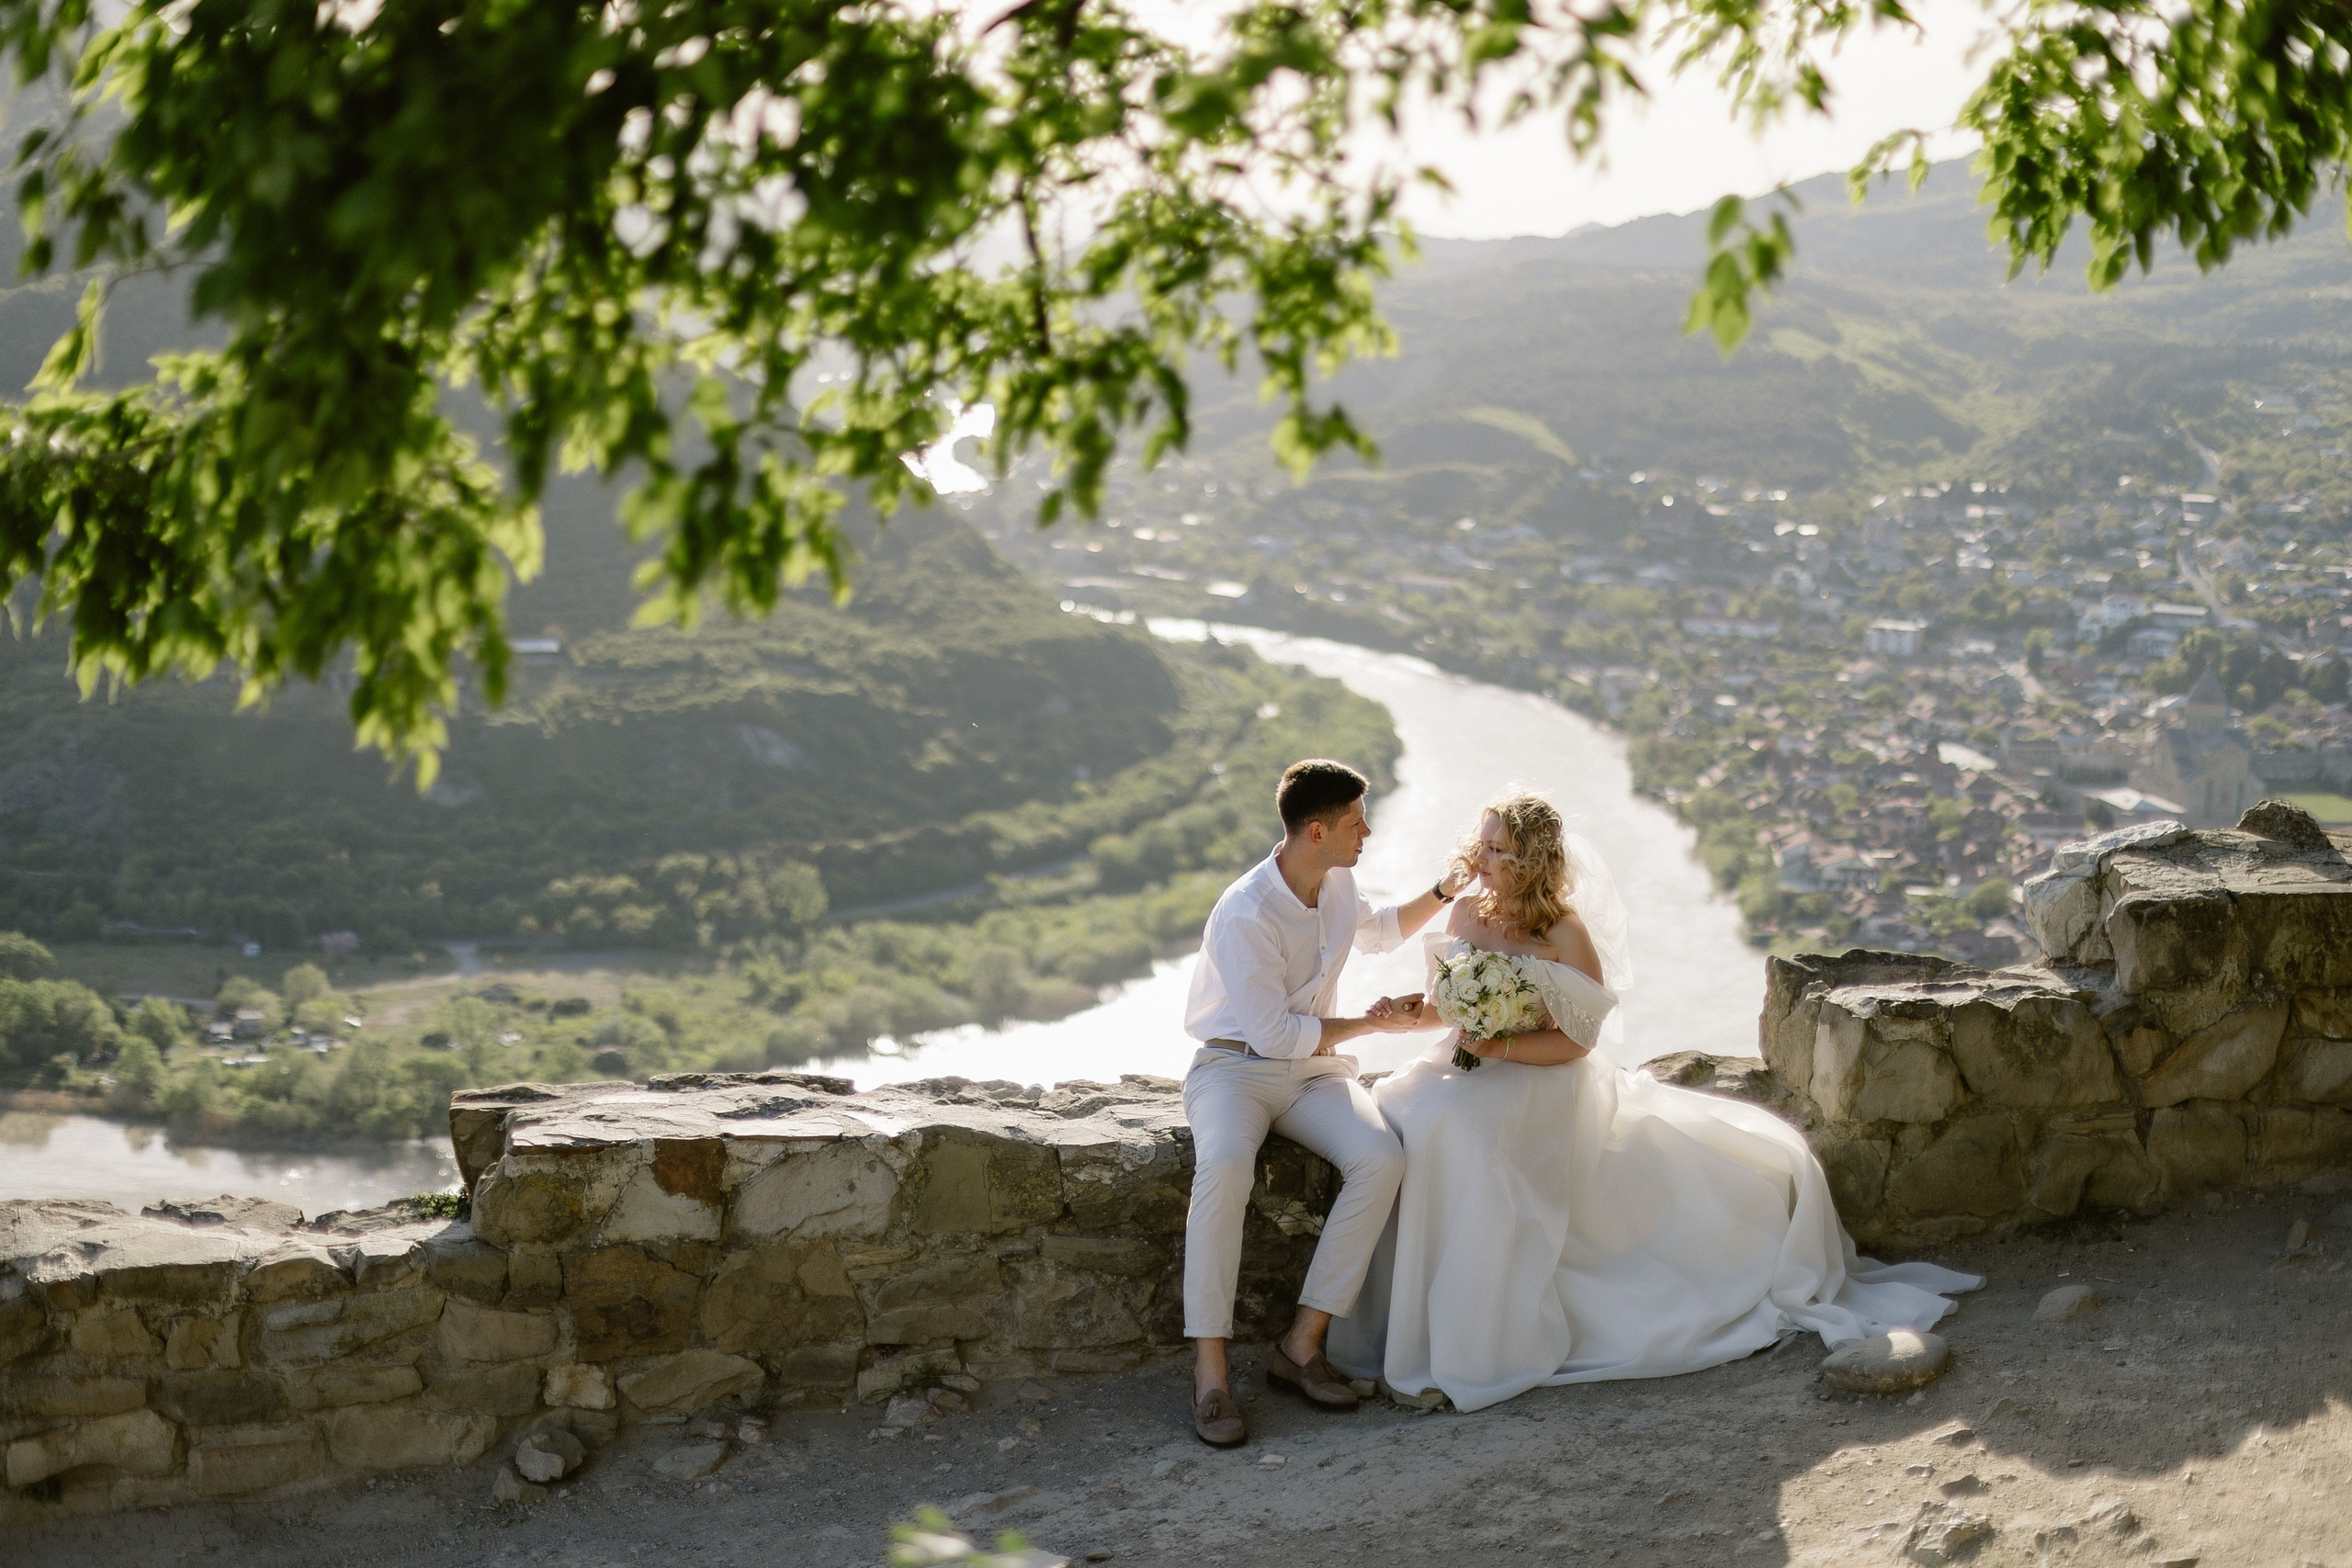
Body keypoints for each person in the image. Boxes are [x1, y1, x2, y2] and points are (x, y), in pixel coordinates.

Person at [1326, 791, 1982, 1413]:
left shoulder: (1563, 933)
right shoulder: (1465, 911)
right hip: (1464, 1062)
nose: (1483, 859)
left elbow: (1577, 1042)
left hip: (1538, 1073)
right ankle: (1421, 1329)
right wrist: (1402, 1017)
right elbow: (1445, 1007)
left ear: (1531, 861)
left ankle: (1483, 1340)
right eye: (1483, 844)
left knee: (1468, 1137)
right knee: (1411, 1115)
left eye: (1499, 850)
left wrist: (1498, 1050)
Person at [1179, 758, 1469, 1447]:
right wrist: (1373, 1021)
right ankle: (1210, 1374)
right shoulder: (1245, 911)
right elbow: (1273, 1032)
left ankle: (1302, 1343)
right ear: (1317, 830)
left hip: (1311, 1073)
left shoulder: (1336, 881)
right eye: (1354, 822)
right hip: (1233, 1069)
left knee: (1380, 1155)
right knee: (1222, 1165)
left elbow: (1379, 931)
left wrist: (1446, 888)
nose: (1365, 832)